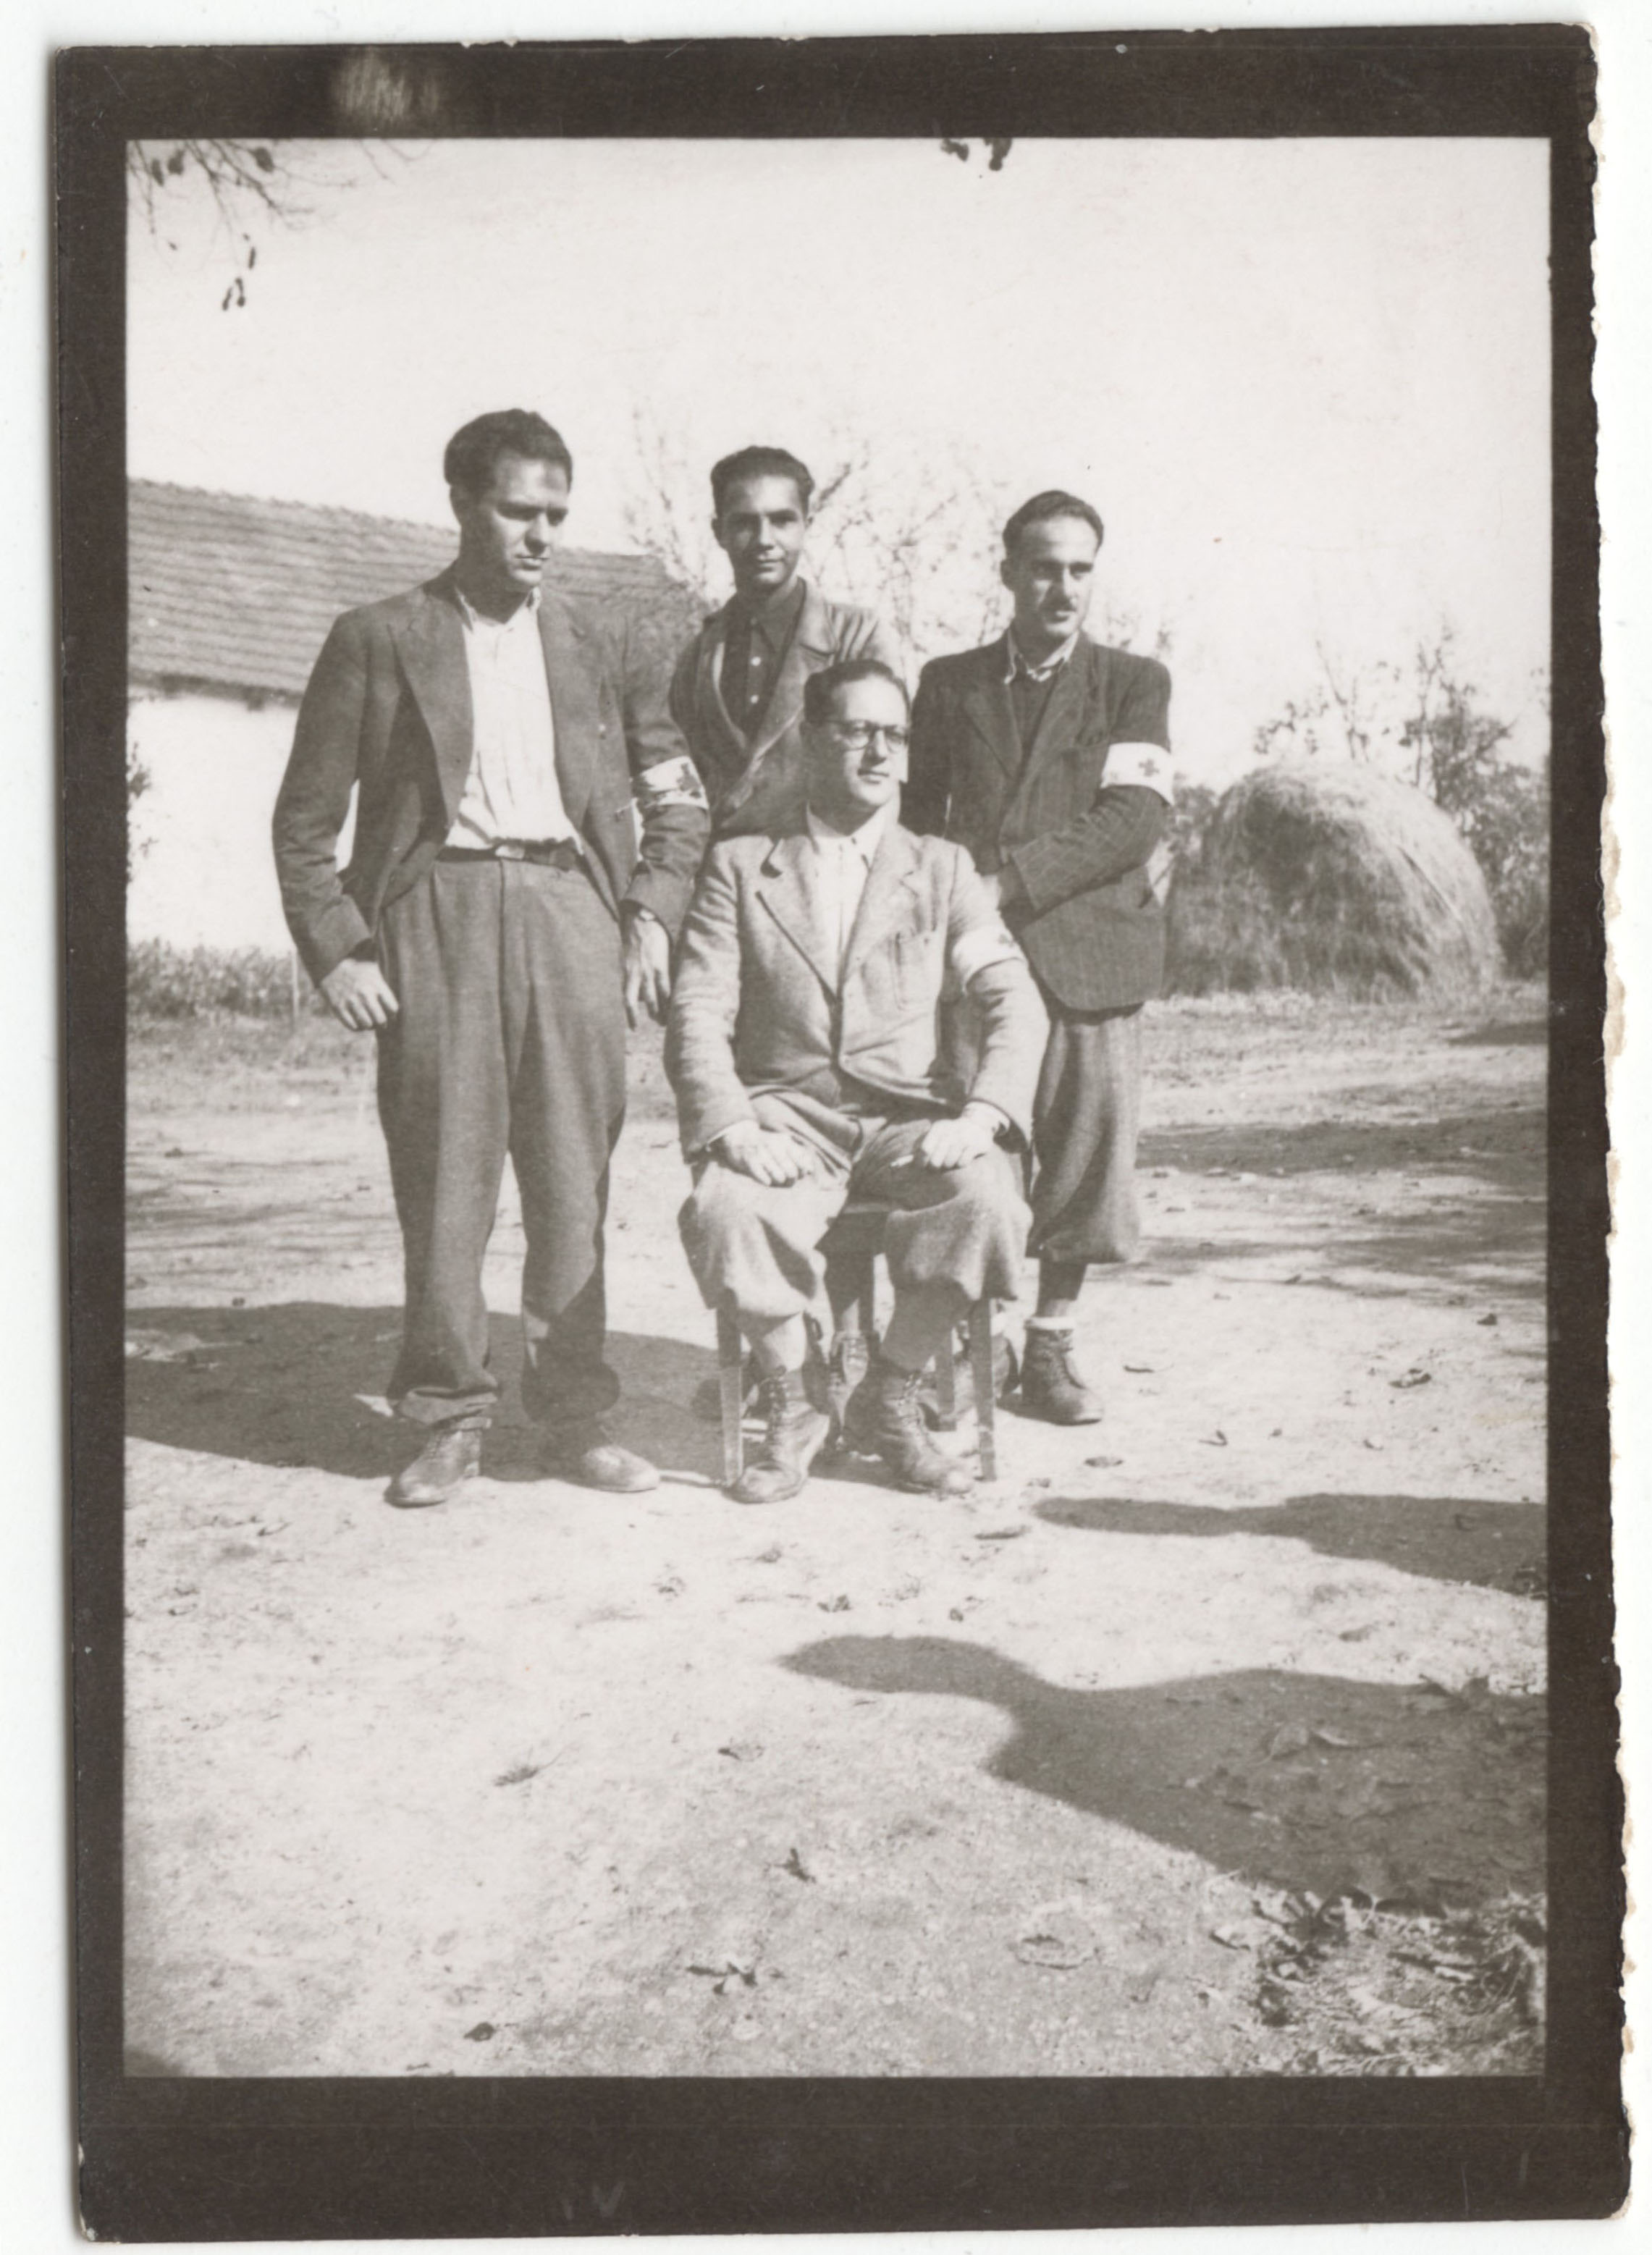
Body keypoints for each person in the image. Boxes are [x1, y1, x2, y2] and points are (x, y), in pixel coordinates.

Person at [272, 408, 709, 1506]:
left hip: (573, 914)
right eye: (519, 510)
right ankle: (447, 1416)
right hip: (438, 914)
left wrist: (649, 913)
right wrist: (339, 950)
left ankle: (573, 1415)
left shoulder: (604, 641)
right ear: (463, 503)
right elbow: (304, 823)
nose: (541, 534)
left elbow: (678, 800)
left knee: (572, 1180)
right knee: (444, 1180)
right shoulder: (377, 637)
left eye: (556, 513)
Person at [667, 657, 1046, 1505]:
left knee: (987, 1200)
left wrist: (982, 1114)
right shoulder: (740, 866)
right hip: (786, 1120)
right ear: (810, 740)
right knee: (723, 1210)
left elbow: (1012, 998)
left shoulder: (942, 869)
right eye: (856, 731)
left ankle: (890, 1395)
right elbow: (696, 1009)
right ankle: (798, 1393)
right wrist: (734, 1127)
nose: (879, 752)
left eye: (894, 735)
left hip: (905, 1121)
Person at [905, 489, 1173, 1425]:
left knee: (1084, 1156)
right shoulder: (949, 684)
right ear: (1008, 572)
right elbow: (918, 817)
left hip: (1092, 954)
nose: (1062, 589)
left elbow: (1133, 819)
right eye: (1044, 568)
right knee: (972, 1152)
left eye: (1079, 570)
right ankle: (973, 1344)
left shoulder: (1132, 683)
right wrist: (940, 911)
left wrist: (1006, 882)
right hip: (977, 962)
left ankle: (1050, 1345)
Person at [669, 444, 901, 837]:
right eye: (744, 523)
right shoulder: (699, 657)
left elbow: (882, 781)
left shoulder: (857, 636)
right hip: (720, 866)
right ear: (719, 532)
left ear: (807, 525)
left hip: (822, 860)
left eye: (782, 521)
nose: (764, 540)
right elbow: (682, 787)